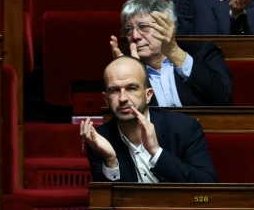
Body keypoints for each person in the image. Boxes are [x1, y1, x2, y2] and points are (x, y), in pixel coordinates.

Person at [79, 55, 219, 184]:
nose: (122, 98)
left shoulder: (184, 128)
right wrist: (110, 161)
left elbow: (208, 185)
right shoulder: (100, 140)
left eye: (131, 88)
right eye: (115, 90)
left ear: (148, 95)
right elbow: (103, 203)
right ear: (106, 99)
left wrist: (157, 153)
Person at [110, 0, 232, 107]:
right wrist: (133, 75)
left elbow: (222, 97)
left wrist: (174, 52)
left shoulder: (202, 52)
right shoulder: (126, 66)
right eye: (128, 30)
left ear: (168, 25)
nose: (135, 36)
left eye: (143, 27)